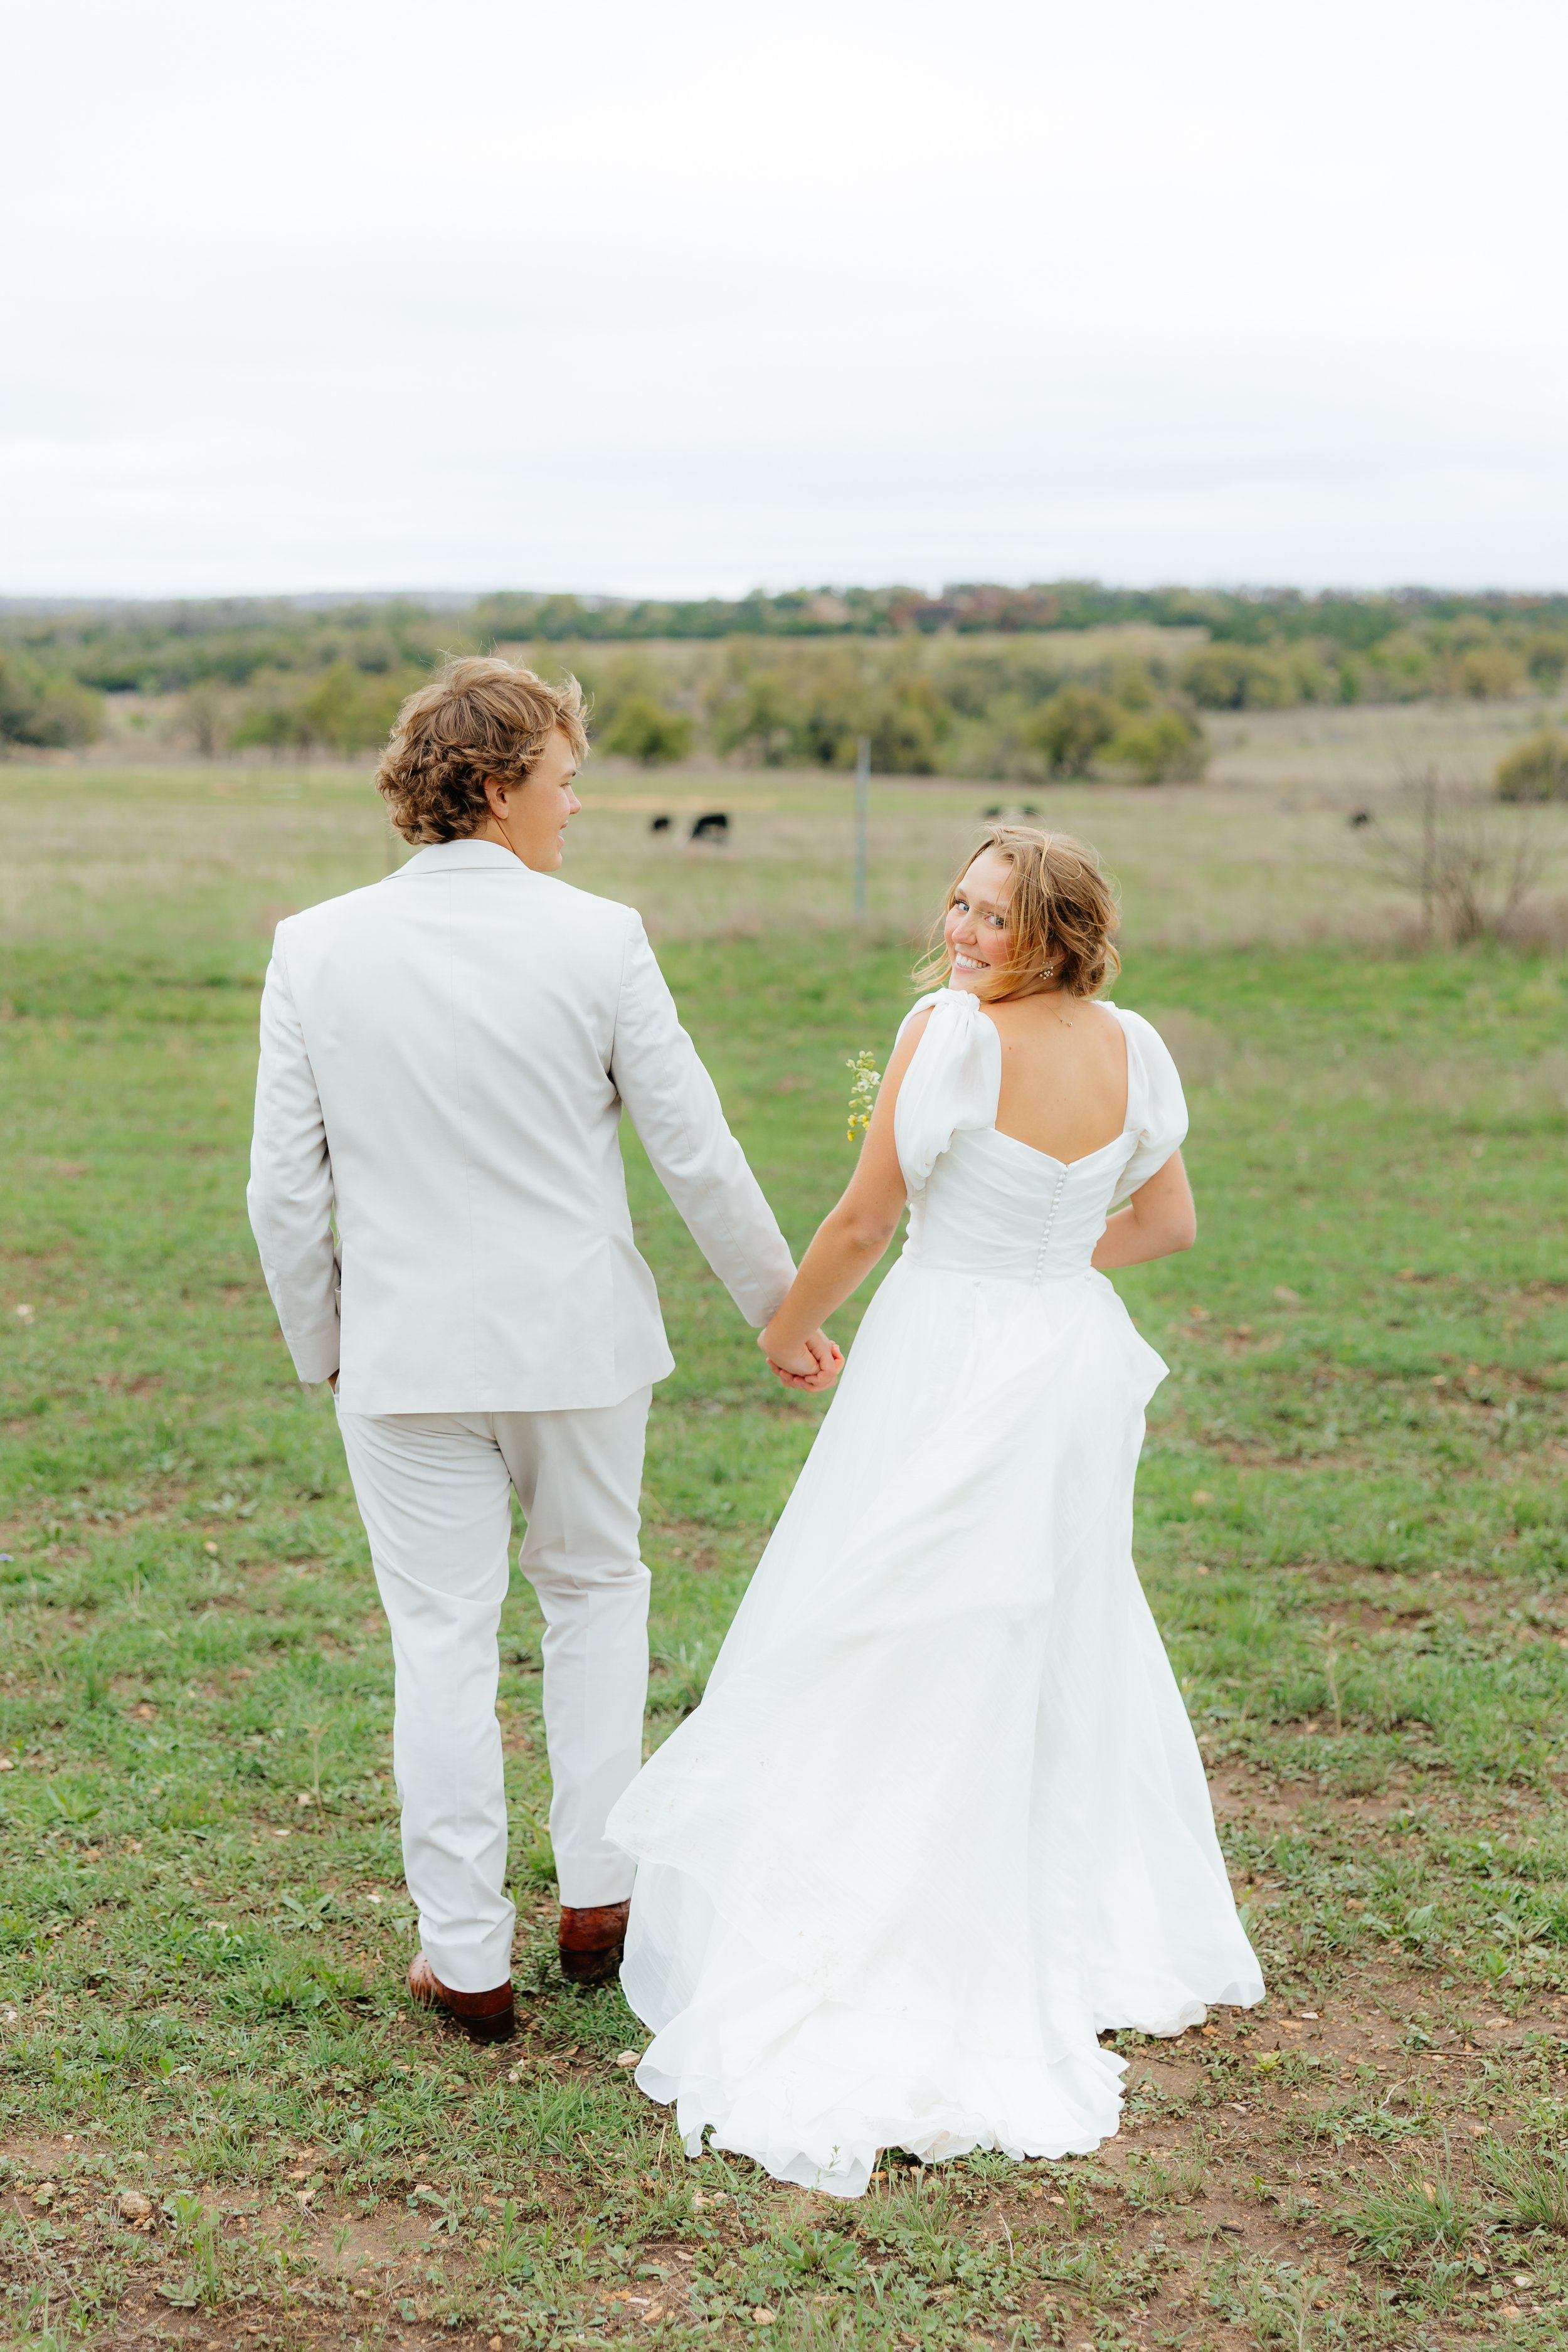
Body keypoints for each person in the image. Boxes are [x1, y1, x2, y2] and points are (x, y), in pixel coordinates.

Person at [608, 827, 1264, 2193]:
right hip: (1064, 1352)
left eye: (992, 917)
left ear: (1053, 930)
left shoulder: (947, 1033)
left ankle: (893, 1913)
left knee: (891, 1608)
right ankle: (1053, 1908)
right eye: (957, 905)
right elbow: (1163, 1225)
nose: (961, 934)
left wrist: (787, 1328)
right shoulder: (1136, 1044)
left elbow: (861, 1219)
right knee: (1041, 1614)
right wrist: (1035, 1254)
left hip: (948, 1346)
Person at [246, 657, 837, 2043]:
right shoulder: (601, 938)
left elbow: (284, 1190)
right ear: (501, 785)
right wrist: (780, 1308)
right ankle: (599, 1896)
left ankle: (465, 1962)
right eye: (567, 779)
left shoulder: (315, 945)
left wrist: (322, 1343)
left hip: (403, 1356)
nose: (578, 804)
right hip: (577, 1347)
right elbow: (694, 1147)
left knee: (440, 1643)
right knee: (594, 1597)